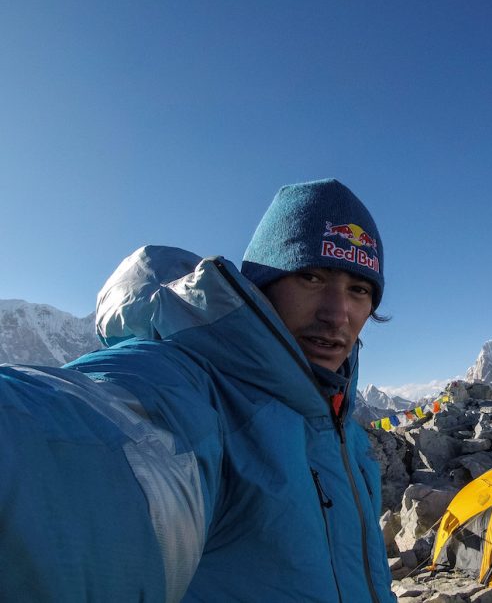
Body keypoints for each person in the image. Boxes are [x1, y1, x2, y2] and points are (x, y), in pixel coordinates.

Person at [0, 179, 396, 602]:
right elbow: (80, 434)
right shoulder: (194, 389)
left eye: (359, 289)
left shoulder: (336, 419)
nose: (338, 314)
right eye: (312, 277)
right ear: (260, 290)